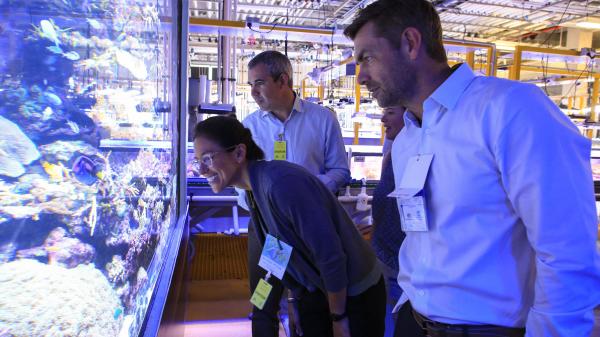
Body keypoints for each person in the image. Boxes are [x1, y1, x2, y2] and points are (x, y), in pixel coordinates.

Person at [344, 1, 600, 336]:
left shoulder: (509, 110)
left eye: (366, 57)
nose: (360, 75)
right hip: (413, 321)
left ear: (410, 43)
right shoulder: (408, 137)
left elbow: (567, 251)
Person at [193, 116, 385, 337]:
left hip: (353, 294)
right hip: (318, 289)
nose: (201, 170)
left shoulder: (281, 184)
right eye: (197, 160)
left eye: (207, 159)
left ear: (238, 153)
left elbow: (330, 255)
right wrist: (294, 300)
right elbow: (277, 251)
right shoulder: (253, 190)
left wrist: (338, 319)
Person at [241, 50, 351, 336]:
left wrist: (307, 194)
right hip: (270, 232)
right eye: (250, 85)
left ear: (283, 80)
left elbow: (340, 171)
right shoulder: (249, 127)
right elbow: (240, 183)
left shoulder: (322, 119)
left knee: (311, 299)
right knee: (263, 299)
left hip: (311, 229)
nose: (253, 92)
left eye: (259, 83)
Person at [371, 106, 423, 337]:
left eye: (390, 112)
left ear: (409, 116)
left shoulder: (417, 152)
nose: (383, 118)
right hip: (385, 253)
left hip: (402, 259)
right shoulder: (396, 150)